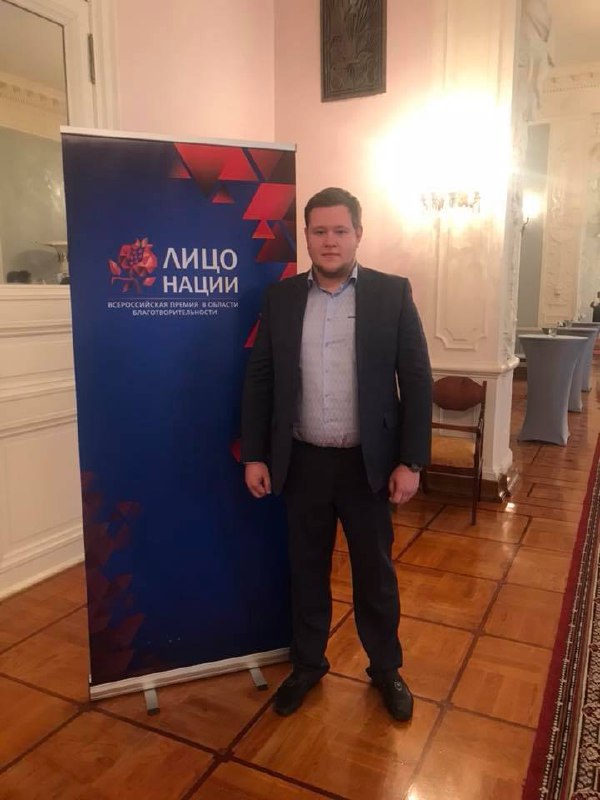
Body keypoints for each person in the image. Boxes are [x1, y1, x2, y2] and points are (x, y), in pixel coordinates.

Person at [241, 187, 432, 722]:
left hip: (368, 467)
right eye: (319, 231)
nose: (330, 241)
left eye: (340, 230)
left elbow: (417, 379)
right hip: (302, 462)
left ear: (358, 235)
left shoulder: (391, 293)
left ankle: (385, 668)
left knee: (375, 576)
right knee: (306, 571)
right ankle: (308, 664)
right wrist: (255, 454)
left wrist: (411, 461)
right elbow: (260, 380)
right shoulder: (280, 298)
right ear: (305, 237)